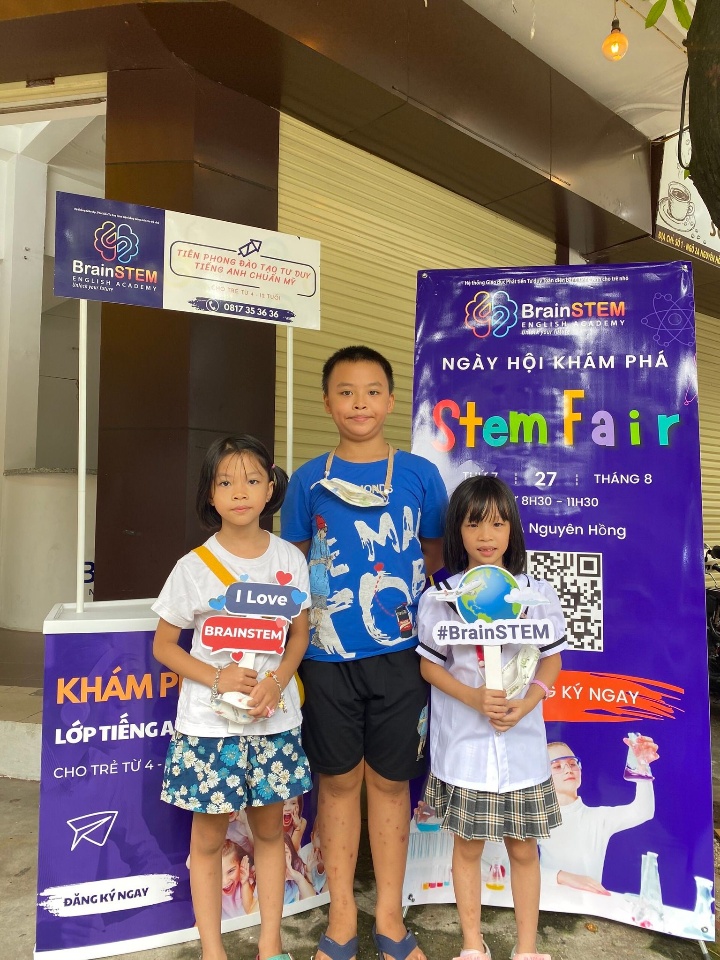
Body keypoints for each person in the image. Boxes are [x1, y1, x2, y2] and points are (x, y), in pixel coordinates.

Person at [281, 345, 447, 960]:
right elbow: (293, 566)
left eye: (372, 391)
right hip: (326, 661)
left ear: (391, 401)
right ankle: (343, 917)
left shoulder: (420, 476)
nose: (359, 403)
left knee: (391, 783)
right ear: (327, 402)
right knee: (338, 783)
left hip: (403, 659)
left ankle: (391, 920)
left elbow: (433, 556)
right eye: (346, 392)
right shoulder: (307, 481)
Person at [153, 435, 313, 960]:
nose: (239, 492)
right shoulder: (193, 567)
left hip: (272, 722)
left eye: (251, 480)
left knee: (270, 832)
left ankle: (271, 944)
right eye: (225, 482)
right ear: (210, 494)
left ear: (270, 488)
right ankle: (212, 951)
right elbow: (164, 646)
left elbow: (299, 636)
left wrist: (278, 681)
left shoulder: (289, 559)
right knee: (208, 841)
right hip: (209, 727)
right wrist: (217, 678)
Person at [416, 475, 567, 960]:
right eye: (474, 523)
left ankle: (527, 949)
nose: (486, 535)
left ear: (512, 530)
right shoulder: (441, 597)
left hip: (522, 749)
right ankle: (471, 945)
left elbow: (551, 660)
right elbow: (430, 666)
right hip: (466, 749)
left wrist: (529, 701)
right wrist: (474, 697)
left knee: (523, 848)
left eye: (498, 524)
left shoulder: (535, 593)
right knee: (467, 848)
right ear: (457, 531)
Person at [539, 737, 659, 895]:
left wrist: (642, 766)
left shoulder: (598, 818)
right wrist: (563, 877)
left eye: (572, 763)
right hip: (548, 903)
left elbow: (643, 811)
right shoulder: (537, 820)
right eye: (557, 766)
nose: (568, 770)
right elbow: (516, 870)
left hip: (590, 905)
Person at [221, 840, 257, 918]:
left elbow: (250, 910)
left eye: (231, 871)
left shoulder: (246, 882)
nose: (225, 881)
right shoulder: (211, 892)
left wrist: (245, 883)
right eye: (217, 875)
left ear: (240, 865)